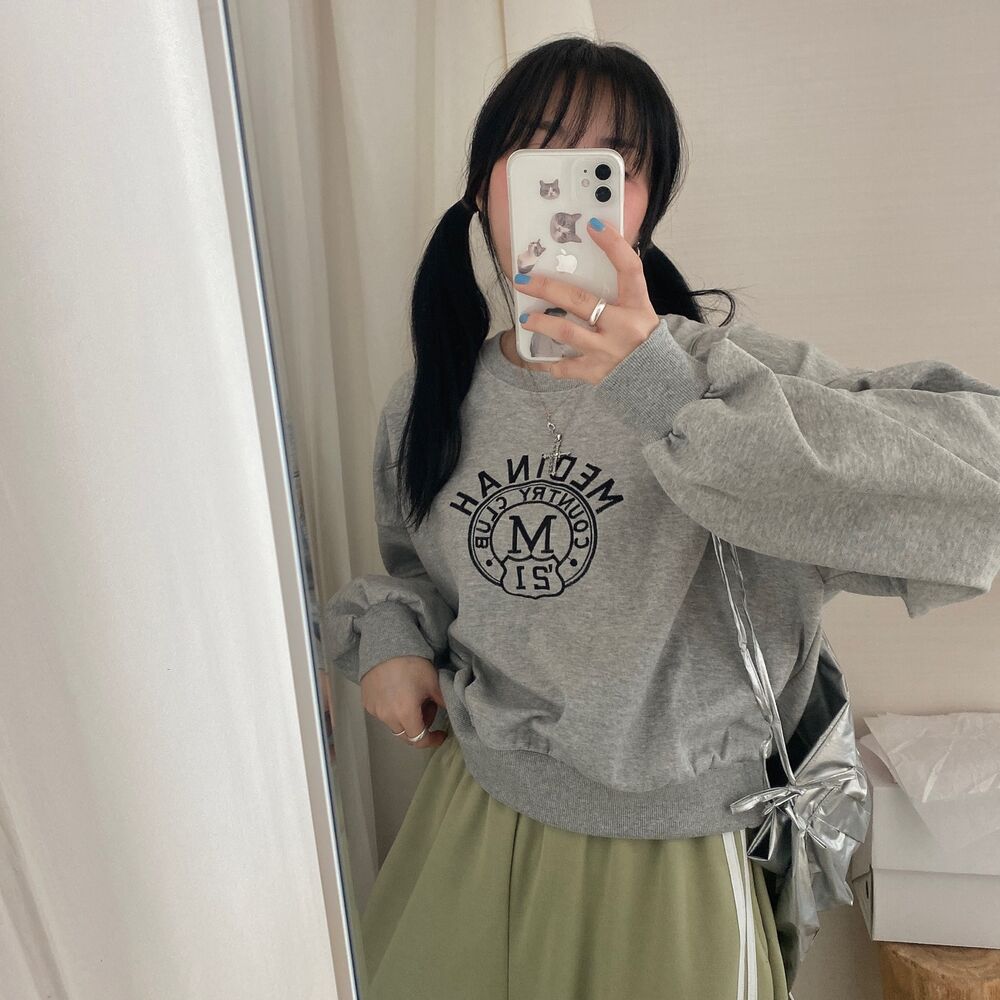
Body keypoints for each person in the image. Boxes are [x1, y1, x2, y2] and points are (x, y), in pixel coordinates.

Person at [320, 36, 1000, 1000]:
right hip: (475, 821)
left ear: (643, 206)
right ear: (483, 187)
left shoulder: (733, 382)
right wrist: (391, 639)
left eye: (611, 166)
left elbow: (978, 476)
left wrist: (666, 393)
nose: (569, 188)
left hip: (676, 855)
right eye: (541, 150)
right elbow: (432, 580)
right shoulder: (431, 399)